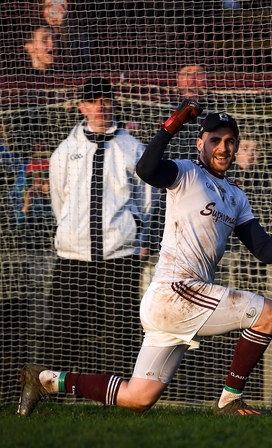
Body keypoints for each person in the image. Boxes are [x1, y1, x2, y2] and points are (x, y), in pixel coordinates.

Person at [16, 100, 272, 417]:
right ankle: (230, 399)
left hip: (177, 301)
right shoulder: (187, 173)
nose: (224, 147)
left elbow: (262, 248)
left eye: (230, 141)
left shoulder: (236, 195)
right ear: (199, 143)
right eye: (215, 140)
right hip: (176, 291)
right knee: (269, 313)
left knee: (137, 398)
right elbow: (146, 169)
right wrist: (169, 127)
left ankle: (46, 380)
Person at [44, 77, 155, 377]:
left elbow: (146, 200)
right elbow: (59, 201)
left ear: (114, 103)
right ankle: (53, 387)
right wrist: (71, 231)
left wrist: (134, 233)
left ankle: (119, 392)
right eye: (93, 101)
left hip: (120, 255)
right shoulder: (65, 151)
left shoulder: (134, 149)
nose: (100, 107)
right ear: (82, 107)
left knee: (120, 327)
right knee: (64, 326)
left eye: (105, 100)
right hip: (73, 256)